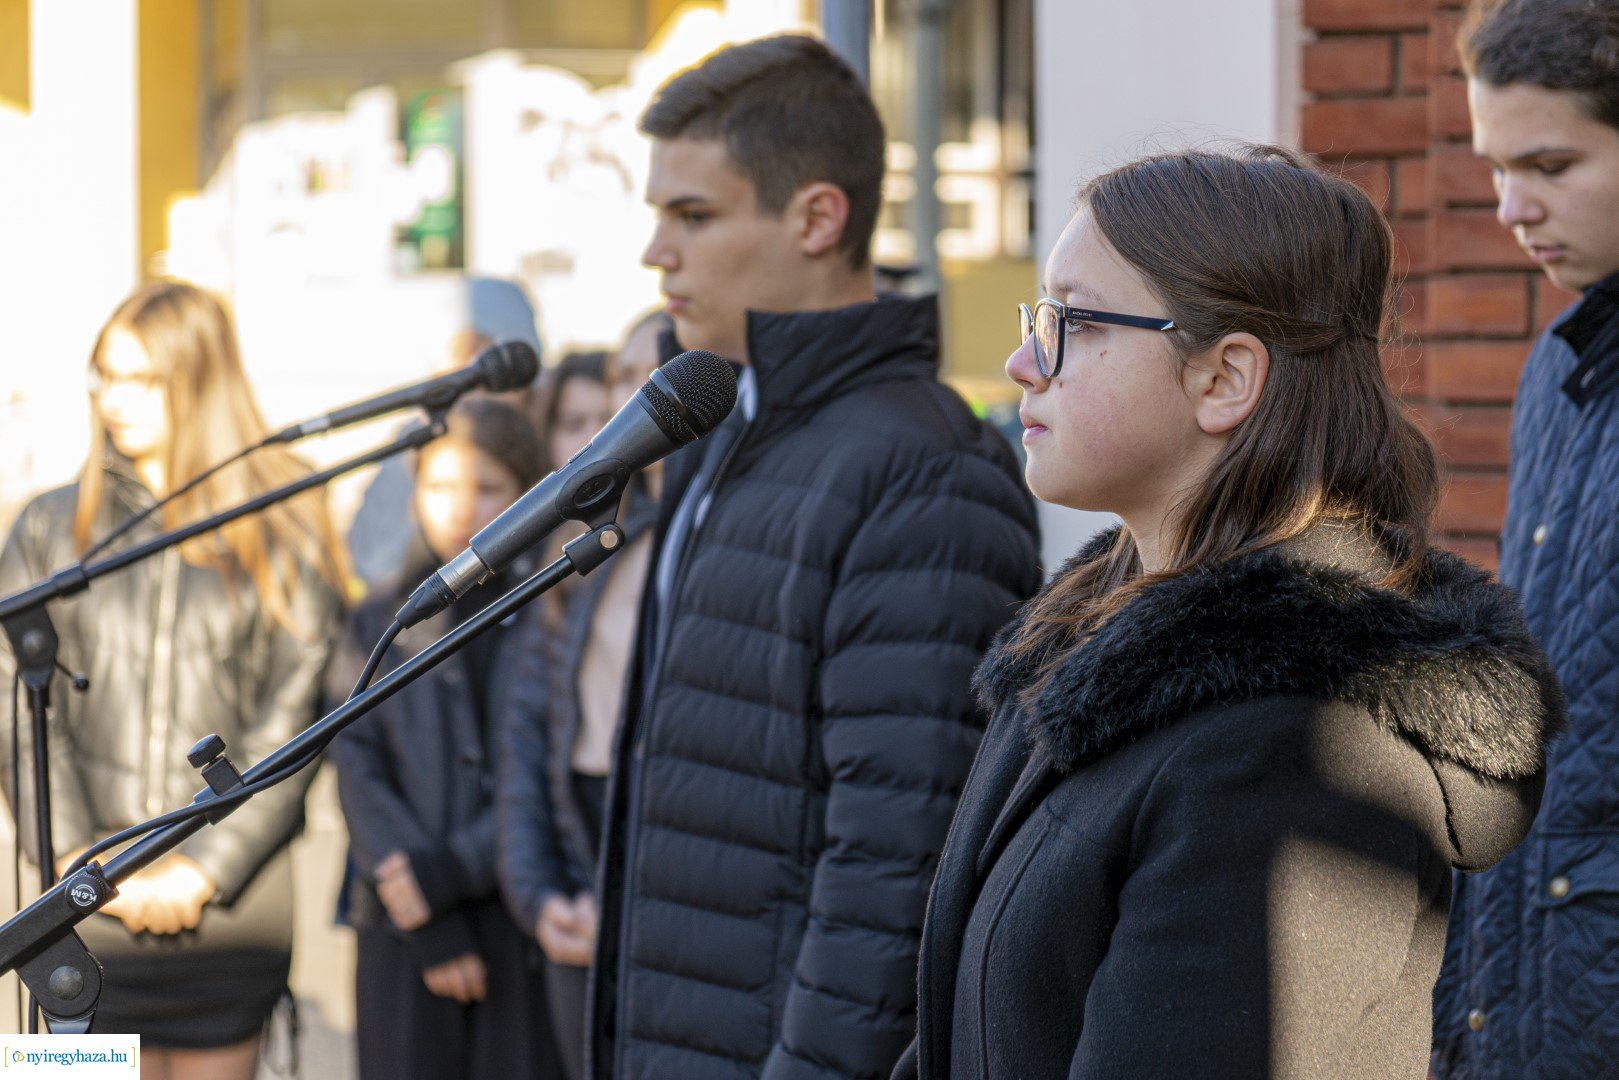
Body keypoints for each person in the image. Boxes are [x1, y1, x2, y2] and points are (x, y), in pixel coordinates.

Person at [890, 144, 1563, 1080]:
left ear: (1224, 380)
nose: (1022, 362)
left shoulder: (1294, 746)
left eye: (1073, 322)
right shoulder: (1083, 639)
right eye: (1038, 317)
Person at [590, 34, 1042, 1080]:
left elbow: (894, 868)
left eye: (693, 215)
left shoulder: (925, 469)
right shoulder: (717, 425)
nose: (657, 252)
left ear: (816, 218)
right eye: (657, 214)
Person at [0, 281, 346, 1079]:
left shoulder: (282, 520)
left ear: (200, 379)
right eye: (105, 377)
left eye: (142, 379)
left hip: (226, 917)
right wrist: (77, 857)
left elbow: (294, 714)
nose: (115, 399)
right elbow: (18, 709)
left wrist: (202, 868)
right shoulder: (50, 525)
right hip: (81, 911)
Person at [1433, 2, 1619, 1074]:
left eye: (1549, 165)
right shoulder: (1557, 364)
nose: (1510, 207)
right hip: (1525, 982)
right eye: (1497, 168)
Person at [327, 396, 563, 1080]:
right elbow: (357, 761)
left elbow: (547, 772)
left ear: (528, 491)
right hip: (401, 919)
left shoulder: (553, 610)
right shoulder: (380, 616)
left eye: (488, 487)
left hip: (516, 911)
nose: (462, 509)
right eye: (440, 486)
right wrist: (423, 909)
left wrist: (454, 870)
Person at [496, 311, 669, 1080]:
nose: (630, 401)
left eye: (650, 377)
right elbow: (529, 734)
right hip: (580, 847)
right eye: (621, 380)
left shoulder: (704, 535)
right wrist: (538, 895)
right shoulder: (592, 542)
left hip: (662, 873)